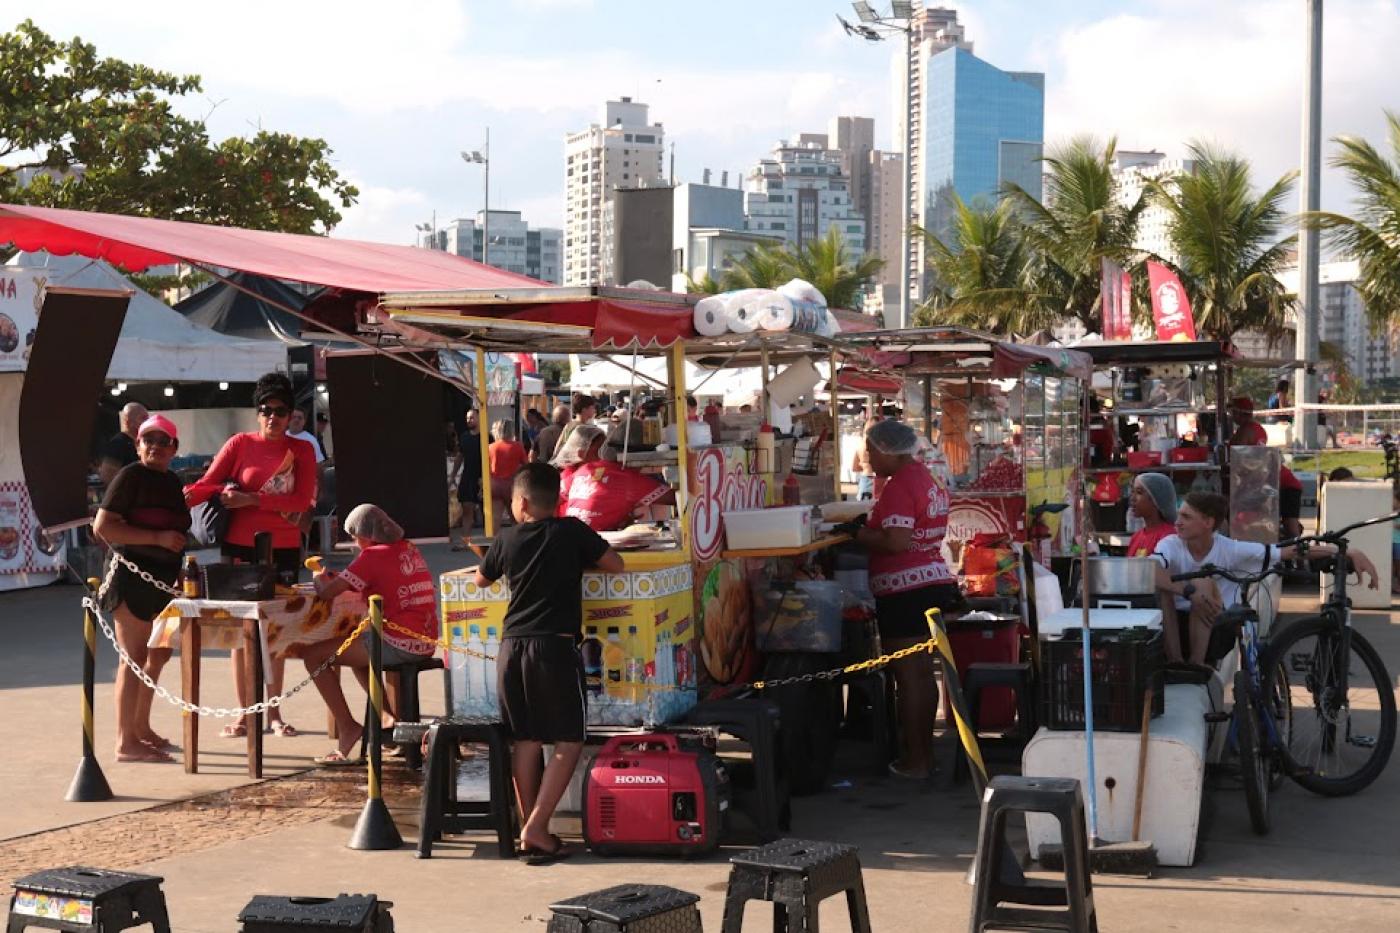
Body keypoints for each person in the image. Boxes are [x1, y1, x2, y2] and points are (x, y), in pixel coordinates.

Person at [475, 463, 624, 864]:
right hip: (554, 648)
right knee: (569, 740)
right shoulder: (571, 531)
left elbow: (480, 580)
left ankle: (532, 828)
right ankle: (537, 827)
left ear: (521, 503)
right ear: (556, 500)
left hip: (511, 648)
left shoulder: (506, 538)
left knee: (526, 739)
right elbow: (616, 564)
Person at [185, 372, 318, 739]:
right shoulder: (239, 443)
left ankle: (273, 713)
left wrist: (251, 499)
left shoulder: (302, 450)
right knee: (241, 632)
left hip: (284, 547)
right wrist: (179, 498)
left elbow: (301, 501)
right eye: (266, 410)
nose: (273, 417)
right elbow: (207, 484)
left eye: (280, 411)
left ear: (290, 415)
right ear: (257, 412)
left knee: (275, 631)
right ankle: (245, 714)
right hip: (239, 547)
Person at [837, 420, 960, 780]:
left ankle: (916, 760)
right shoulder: (926, 478)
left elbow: (895, 542)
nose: (868, 458)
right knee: (921, 675)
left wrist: (857, 533)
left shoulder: (900, 485)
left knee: (908, 677)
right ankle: (925, 756)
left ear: (888, 450)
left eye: (871, 450)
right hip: (932, 583)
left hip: (906, 590)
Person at [1152, 491, 1378, 665]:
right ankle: (1176, 662)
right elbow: (1151, 570)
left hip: (1215, 630)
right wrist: (1187, 592)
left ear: (1208, 522)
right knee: (1165, 589)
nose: (1177, 522)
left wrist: (1346, 552)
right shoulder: (1170, 545)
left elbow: (1287, 552)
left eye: (1186, 517)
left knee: (1202, 581)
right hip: (1174, 627)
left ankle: (1196, 667)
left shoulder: (1229, 549)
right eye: (1179, 515)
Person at [302, 504, 440, 764]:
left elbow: (327, 592)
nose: (355, 544)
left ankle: (347, 727)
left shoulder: (371, 556)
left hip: (399, 643)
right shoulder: (408, 548)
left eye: (355, 538)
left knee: (313, 655)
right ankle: (387, 717)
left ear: (366, 536)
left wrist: (319, 578)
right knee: (356, 646)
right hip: (426, 639)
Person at [92, 415, 190, 762]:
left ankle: (140, 728)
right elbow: (103, 528)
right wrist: (157, 538)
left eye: (164, 441)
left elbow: (178, 530)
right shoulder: (130, 476)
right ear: (137, 445)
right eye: (149, 440)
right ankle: (125, 742)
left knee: (157, 655)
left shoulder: (172, 481)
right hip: (131, 578)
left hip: (163, 582)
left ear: (174, 448)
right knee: (133, 658)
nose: (156, 447)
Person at [553, 423, 674, 531]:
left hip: (568, 536)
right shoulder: (628, 479)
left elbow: (550, 498)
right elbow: (677, 498)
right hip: (590, 543)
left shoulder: (586, 469)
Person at [451, 409, 487, 532]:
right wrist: (453, 476)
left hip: (484, 478)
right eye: (467, 418)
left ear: (479, 418)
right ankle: (466, 540)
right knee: (467, 511)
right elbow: (460, 456)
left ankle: (491, 540)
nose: (469, 420)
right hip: (468, 478)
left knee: (487, 514)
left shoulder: (487, 437)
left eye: (471, 417)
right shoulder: (464, 437)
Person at [489, 419, 530, 525]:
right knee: (515, 516)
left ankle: (493, 535)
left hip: (494, 484)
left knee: (495, 517)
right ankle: (516, 534)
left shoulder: (491, 447)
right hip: (511, 484)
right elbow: (526, 465)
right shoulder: (517, 446)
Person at [97, 401, 148, 488]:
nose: (147, 422)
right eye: (143, 418)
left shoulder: (143, 443)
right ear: (128, 421)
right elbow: (107, 475)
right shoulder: (118, 444)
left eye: (147, 418)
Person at [1127, 472, 1178, 557]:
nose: (1132, 498)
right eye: (1133, 492)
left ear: (1156, 498)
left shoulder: (1169, 538)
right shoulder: (1136, 537)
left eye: (1139, 492)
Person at [552, 393, 598, 460]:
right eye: (593, 407)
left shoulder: (569, 425)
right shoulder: (584, 428)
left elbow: (557, 448)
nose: (595, 410)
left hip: (563, 461)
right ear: (584, 409)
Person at [850, 417, 880, 500]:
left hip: (864, 479)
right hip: (877, 478)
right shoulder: (880, 446)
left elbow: (854, 467)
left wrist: (864, 465)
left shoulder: (860, 445)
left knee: (863, 505)